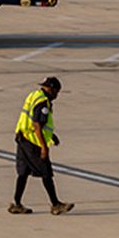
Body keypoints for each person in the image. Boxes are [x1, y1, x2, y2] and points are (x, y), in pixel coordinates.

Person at [9, 76, 73, 215]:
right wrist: (44, 147)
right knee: (46, 172)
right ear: (50, 89)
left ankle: (16, 204)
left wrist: (52, 136)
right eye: (56, 91)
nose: (57, 95)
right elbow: (37, 125)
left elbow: (34, 121)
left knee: (23, 173)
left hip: (22, 137)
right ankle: (55, 204)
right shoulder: (43, 103)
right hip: (32, 142)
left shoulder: (34, 95)